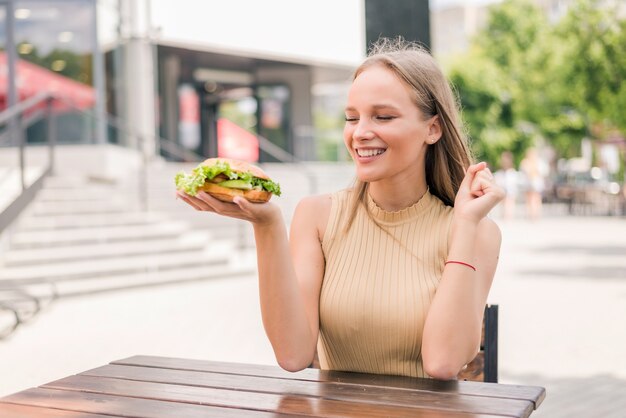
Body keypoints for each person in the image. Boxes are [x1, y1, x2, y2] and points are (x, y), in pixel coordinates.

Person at [176, 38, 505, 380]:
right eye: (351, 118)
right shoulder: (317, 217)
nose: (360, 133)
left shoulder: (476, 232)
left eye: (383, 117)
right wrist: (267, 225)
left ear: (432, 128)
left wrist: (465, 225)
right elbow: (292, 354)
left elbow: (443, 363)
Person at [520, 147, 547, 220]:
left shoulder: (537, 162)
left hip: (535, 183)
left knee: (535, 198)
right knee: (532, 199)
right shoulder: (526, 162)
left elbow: (542, 173)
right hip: (530, 183)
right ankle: (532, 214)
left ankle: (535, 214)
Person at [494, 151, 521, 220]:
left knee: (510, 201)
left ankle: (508, 216)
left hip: (510, 189)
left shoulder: (512, 172)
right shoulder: (501, 172)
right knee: (504, 202)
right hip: (503, 188)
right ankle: (506, 215)